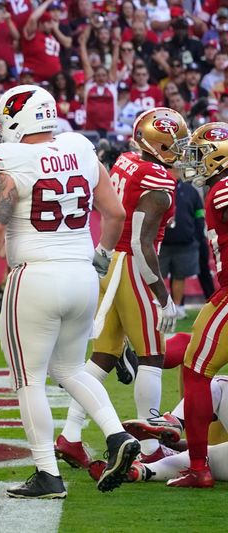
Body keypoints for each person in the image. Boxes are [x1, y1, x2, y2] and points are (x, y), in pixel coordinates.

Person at [0, 85, 138, 498]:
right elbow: (114, 213)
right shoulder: (80, 146)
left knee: (29, 379)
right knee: (71, 369)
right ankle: (117, 436)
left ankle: (47, 473)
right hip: (81, 274)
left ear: (17, 118)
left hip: (35, 276)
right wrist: (99, 256)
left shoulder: (13, 158)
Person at [56, 107, 188, 467]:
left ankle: (69, 436)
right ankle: (150, 446)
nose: (180, 150)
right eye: (176, 143)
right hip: (132, 266)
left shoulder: (127, 160)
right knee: (151, 356)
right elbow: (143, 245)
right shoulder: (157, 181)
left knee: (103, 357)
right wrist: (163, 297)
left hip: (110, 261)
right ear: (159, 144)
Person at [162, 122, 228, 487]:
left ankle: (199, 467)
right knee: (198, 354)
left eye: (201, 155)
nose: (196, 164)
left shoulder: (223, 188)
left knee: (196, 372)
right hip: (223, 295)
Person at [158, 179, 204, 319]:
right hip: (161, 243)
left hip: (185, 242)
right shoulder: (159, 185)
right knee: (157, 277)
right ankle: (158, 307)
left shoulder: (190, 190)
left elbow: (199, 213)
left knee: (180, 276)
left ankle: (177, 308)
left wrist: (196, 234)